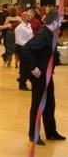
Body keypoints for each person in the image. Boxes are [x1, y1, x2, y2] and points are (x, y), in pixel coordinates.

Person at [21, 10, 65, 145]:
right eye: (60, 21)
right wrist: (33, 68)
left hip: (47, 75)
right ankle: (33, 135)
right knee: (38, 105)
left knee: (50, 104)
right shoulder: (43, 35)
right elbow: (26, 50)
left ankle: (51, 132)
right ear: (54, 22)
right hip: (40, 76)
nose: (61, 23)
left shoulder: (50, 34)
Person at [15, 11, 34, 90]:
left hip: (28, 48)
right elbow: (18, 41)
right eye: (26, 16)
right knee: (24, 66)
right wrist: (28, 45)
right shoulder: (19, 28)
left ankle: (23, 80)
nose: (28, 17)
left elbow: (30, 36)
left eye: (29, 16)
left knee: (27, 66)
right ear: (22, 17)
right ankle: (22, 84)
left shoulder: (29, 25)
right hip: (22, 48)